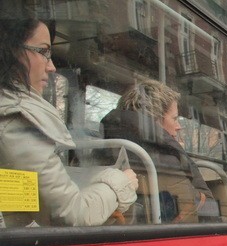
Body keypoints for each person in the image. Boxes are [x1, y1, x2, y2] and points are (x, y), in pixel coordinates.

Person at [0, 12, 138, 227]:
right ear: (10, 50)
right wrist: (122, 183)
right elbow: (69, 216)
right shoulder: (16, 118)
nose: (52, 66)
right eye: (43, 51)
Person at [100, 80, 214, 223]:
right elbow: (208, 209)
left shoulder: (103, 150)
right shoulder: (165, 161)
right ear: (155, 120)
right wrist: (180, 154)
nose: (179, 126)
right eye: (174, 118)